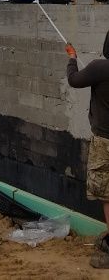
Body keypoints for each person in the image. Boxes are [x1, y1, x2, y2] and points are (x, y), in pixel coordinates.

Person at [66, 35, 109, 269]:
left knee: (106, 192)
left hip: (105, 142)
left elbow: (73, 80)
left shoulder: (99, 68)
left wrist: (72, 58)